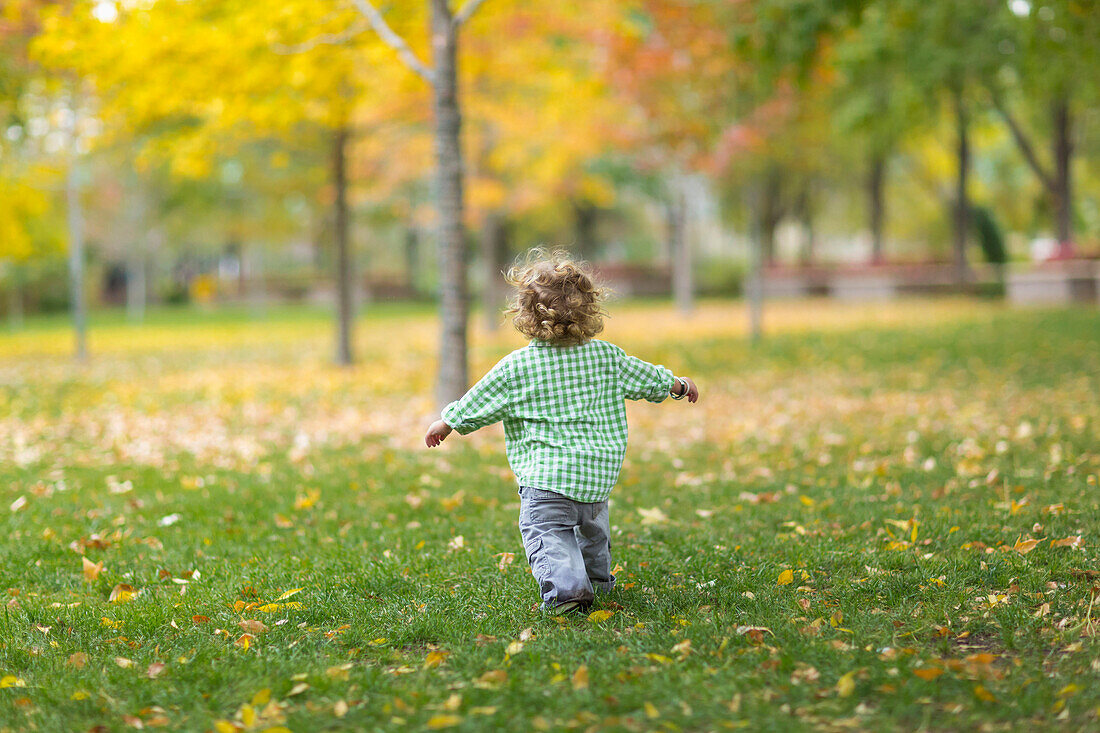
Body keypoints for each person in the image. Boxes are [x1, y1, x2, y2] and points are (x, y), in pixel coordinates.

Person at [424, 249, 699, 614]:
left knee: (549, 533)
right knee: (592, 532)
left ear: (525, 314)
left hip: (546, 479)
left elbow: (480, 401)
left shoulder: (517, 367)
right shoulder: (606, 356)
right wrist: (677, 385)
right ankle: (598, 583)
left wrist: (448, 422)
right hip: (597, 474)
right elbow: (648, 378)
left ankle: (569, 592)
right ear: (590, 309)